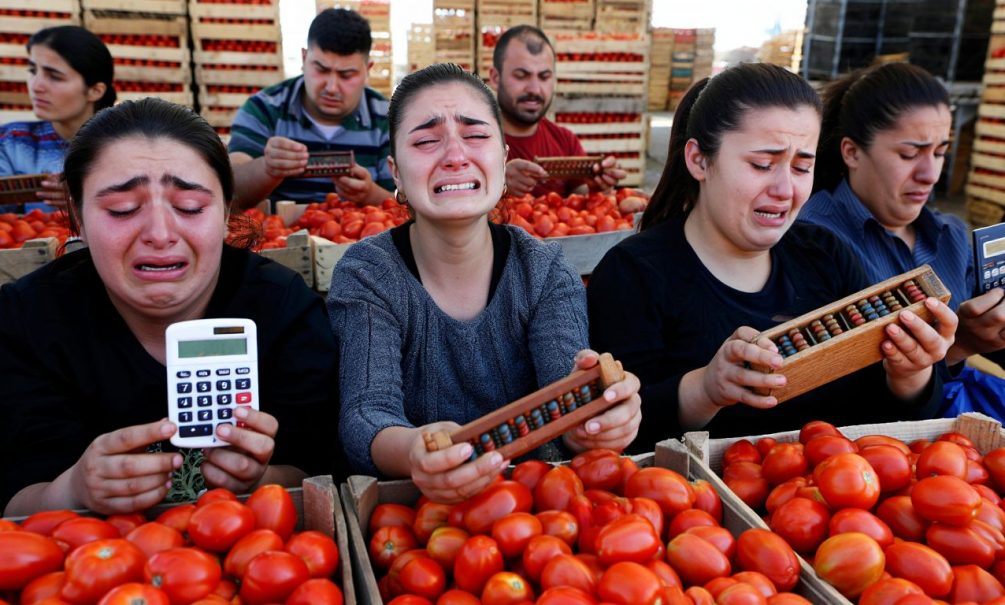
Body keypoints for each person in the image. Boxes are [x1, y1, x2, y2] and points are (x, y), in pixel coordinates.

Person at [587, 63, 956, 448]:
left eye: (802, 166)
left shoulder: (826, 255)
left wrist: (910, 375)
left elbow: (888, 419)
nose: (785, 189)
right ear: (698, 160)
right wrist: (706, 389)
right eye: (762, 164)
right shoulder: (634, 274)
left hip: (836, 492)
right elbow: (617, 439)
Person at [0, 98, 340, 516]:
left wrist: (263, 479)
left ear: (225, 211)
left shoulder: (285, 308)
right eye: (122, 209)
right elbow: (15, 495)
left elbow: (324, 469)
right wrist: (72, 490)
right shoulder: (26, 321)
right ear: (79, 216)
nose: (160, 234)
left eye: (190, 207)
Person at [328, 63, 642, 503]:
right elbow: (366, 415)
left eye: (476, 136)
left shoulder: (545, 270)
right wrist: (416, 451)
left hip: (542, 512)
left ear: (504, 157)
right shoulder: (368, 272)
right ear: (395, 173)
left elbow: (567, 403)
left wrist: (598, 417)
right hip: (417, 517)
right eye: (426, 140)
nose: (456, 155)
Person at [801, 62, 1002, 370]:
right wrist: (961, 343)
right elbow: (837, 382)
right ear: (852, 152)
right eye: (909, 155)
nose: (930, 175)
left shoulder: (951, 235)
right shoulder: (811, 239)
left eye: (939, 153)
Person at [228, 8, 394, 209]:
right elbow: (230, 192)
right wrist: (267, 168)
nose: (332, 88)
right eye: (321, 70)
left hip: (363, 237)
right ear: (304, 58)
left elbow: (406, 206)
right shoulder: (264, 109)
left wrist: (371, 194)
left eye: (347, 75)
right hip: (276, 237)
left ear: (367, 71)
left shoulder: (387, 119)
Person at [488, 26, 626, 198]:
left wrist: (595, 188)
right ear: (495, 78)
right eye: (521, 75)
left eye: (544, 77)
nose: (535, 89)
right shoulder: (472, 143)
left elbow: (577, 198)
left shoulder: (565, 141)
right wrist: (495, 182)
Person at [0, 25, 115, 211]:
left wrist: (89, 202)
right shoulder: (11, 142)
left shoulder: (128, 146)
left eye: (54, 76)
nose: (36, 86)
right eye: (32, 71)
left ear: (95, 91)